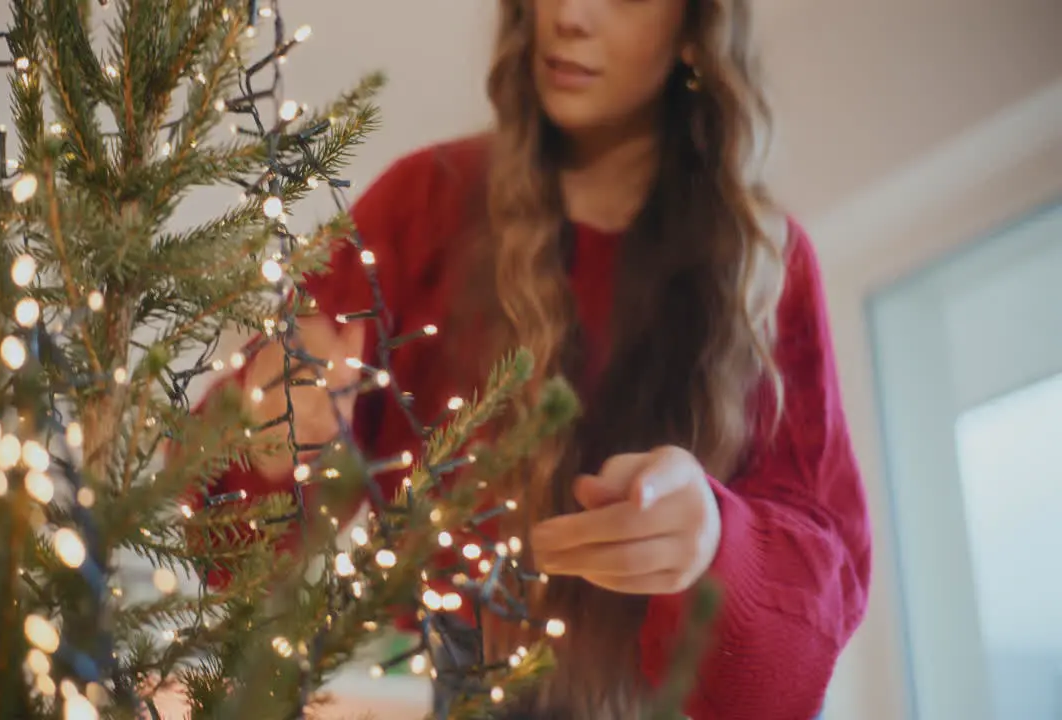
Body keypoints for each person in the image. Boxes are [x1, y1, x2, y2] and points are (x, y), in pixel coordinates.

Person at [184, 0, 871, 717]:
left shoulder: (765, 268)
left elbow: (820, 586)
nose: (569, 14)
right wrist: (269, 445)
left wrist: (715, 543)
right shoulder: (426, 203)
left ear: (696, 33)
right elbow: (224, 538)